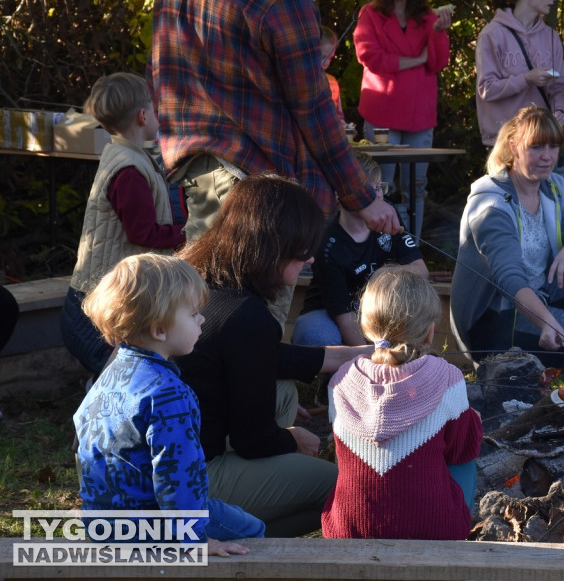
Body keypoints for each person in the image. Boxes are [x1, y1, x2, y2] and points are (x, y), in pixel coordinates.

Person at [149, 0, 399, 240]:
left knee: (203, 288)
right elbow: (313, 110)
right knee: (237, 292)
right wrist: (361, 196)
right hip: (255, 184)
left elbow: (159, 75)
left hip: (197, 168)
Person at [177, 174, 372, 537]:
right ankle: (238, 535)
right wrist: (293, 439)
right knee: (346, 487)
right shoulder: (245, 316)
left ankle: (236, 521)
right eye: (303, 248)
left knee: (282, 391)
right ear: (275, 244)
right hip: (188, 480)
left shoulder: (197, 278)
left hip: (151, 461)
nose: (311, 257)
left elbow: (261, 356)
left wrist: (354, 354)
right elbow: (254, 441)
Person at [75, 254, 264, 556]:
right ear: (159, 330)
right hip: (151, 524)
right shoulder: (168, 393)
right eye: (192, 314)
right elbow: (177, 476)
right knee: (251, 530)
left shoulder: (109, 376)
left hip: (101, 522)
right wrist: (194, 540)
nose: (202, 319)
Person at [450, 106, 564, 387]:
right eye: (536, 147)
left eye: (553, 146)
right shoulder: (490, 205)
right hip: (495, 319)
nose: (547, 156)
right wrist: (545, 322)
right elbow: (509, 279)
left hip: (542, 295)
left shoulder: (553, 187)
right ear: (514, 146)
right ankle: (507, 373)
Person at [321, 267, 482, 539]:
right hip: (433, 532)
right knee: (467, 464)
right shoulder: (448, 378)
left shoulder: (341, 379)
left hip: (348, 529)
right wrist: (471, 420)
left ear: (366, 326)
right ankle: (455, 538)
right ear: (430, 332)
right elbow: (462, 451)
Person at [61, 73, 186, 376]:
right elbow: (142, 232)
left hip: (101, 297)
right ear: (143, 116)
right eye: (155, 110)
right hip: (96, 307)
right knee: (118, 379)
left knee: (119, 378)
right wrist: (188, 235)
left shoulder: (124, 154)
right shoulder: (128, 169)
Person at [292, 151, 427, 404]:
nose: (379, 196)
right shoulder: (328, 244)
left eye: (380, 187)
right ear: (341, 196)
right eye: (369, 190)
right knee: (316, 333)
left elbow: (420, 269)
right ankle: (334, 383)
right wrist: (375, 361)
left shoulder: (388, 219)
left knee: (410, 297)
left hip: (378, 312)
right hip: (332, 316)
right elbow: (343, 318)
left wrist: (383, 281)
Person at [353, 0, 451, 238]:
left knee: (417, 186)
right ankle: (379, 247)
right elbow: (371, 58)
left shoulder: (431, 17)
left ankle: (411, 247)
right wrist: (415, 60)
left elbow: (437, 62)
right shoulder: (370, 13)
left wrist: (439, 34)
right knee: (381, 186)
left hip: (420, 114)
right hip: (382, 111)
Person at [475, 0, 564, 146]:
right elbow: (486, 89)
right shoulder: (492, 34)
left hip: (543, 139)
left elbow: (560, 86)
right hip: (504, 142)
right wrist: (526, 79)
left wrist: (561, 111)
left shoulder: (551, 36)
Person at [320, 25, 344, 120]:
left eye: (330, 58)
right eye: (322, 57)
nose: (326, 63)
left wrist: (344, 126)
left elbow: (338, 116)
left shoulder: (332, 82)